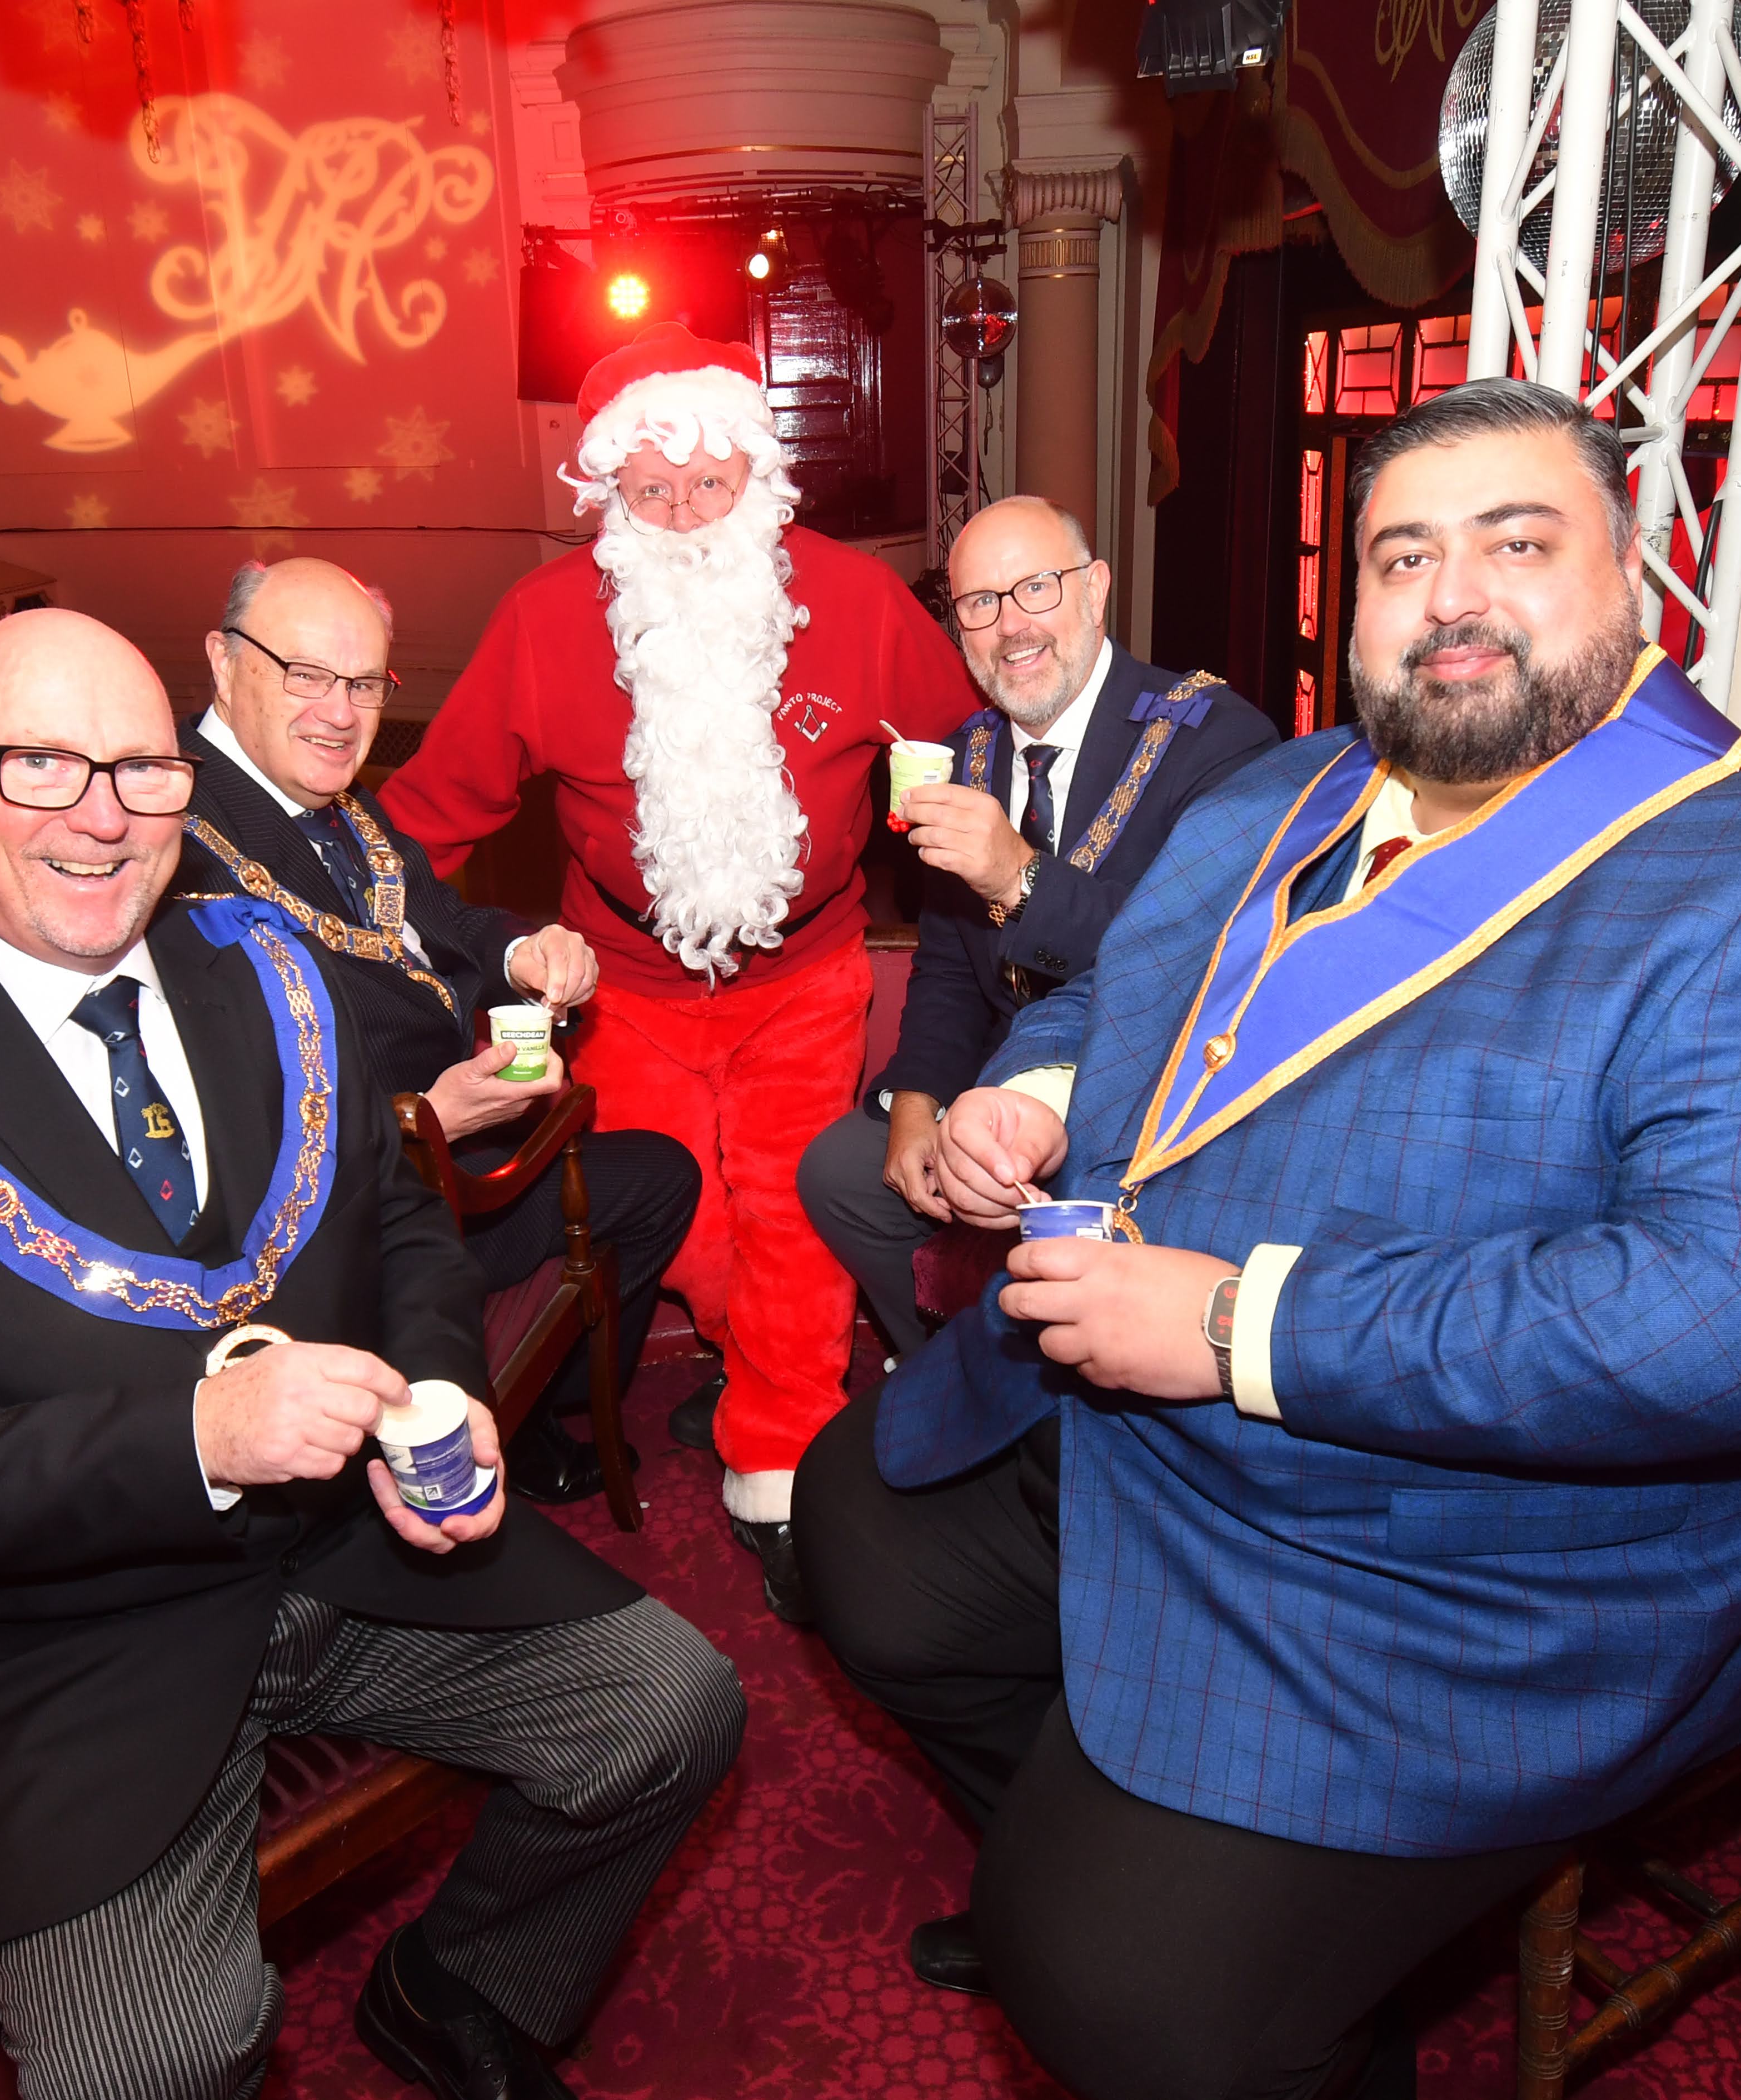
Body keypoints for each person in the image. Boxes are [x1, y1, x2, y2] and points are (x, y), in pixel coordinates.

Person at [793, 377, 1741, 2100]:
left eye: (1513, 543)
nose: (1449, 594)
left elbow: (1707, 1308)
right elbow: (1109, 990)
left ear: (1636, 568)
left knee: (1110, 1980)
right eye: (1400, 556)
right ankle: (1174, 1846)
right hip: (1129, 1418)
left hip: (1447, 1551)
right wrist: (1038, 1096)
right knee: (853, 1535)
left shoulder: (1714, 874)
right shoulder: (1285, 787)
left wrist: (1239, 1327)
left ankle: (1196, 1924)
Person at [0, 607, 744, 2100]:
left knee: (678, 1708)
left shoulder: (266, 968)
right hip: (61, 1644)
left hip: (349, 1554)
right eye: (41, 764)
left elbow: (404, 1226)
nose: (104, 816)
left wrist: (439, 1383)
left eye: (140, 767)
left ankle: (458, 1988)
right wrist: (200, 1434)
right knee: (153, 2062)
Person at [380, 322, 976, 1621]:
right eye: (651, 493)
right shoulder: (545, 620)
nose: (687, 516)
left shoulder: (855, 597)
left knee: (793, 1217)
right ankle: (766, 1364)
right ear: (608, 501)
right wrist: (357, 921)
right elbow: (428, 818)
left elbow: (959, 750)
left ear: (757, 476)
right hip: (626, 987)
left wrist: (970, 870)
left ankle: (783, 1470)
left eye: (709, 485)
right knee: (697, 1223)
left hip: (809, 973)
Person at [173, 556, 701, 1507]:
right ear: (223, 661)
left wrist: (526, 948)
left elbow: (439, 917)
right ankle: (527, 1413)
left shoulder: (322, 797)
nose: (340, 713)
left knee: (655, 1170)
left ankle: (532, 1411)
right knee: (661, 1181)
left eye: (366, 684)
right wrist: (422, 1122)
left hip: (454, 1152)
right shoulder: (168, 837)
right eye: (306, 675)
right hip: (362, 1225)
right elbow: (227, 1110)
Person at [797, 494, 1274, 1359]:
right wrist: (914, 1107)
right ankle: (966, 1376)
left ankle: (1031, 1410)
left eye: (1036, 590)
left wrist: (1016, 874)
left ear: (1095, 592)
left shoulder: (1217, 741)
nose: (1010, 627)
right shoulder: (965, 755)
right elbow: (947, 965)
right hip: (994, 1105)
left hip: (1149, 1103)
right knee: (838, 1171)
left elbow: (1187, 971)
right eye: (980, 604)